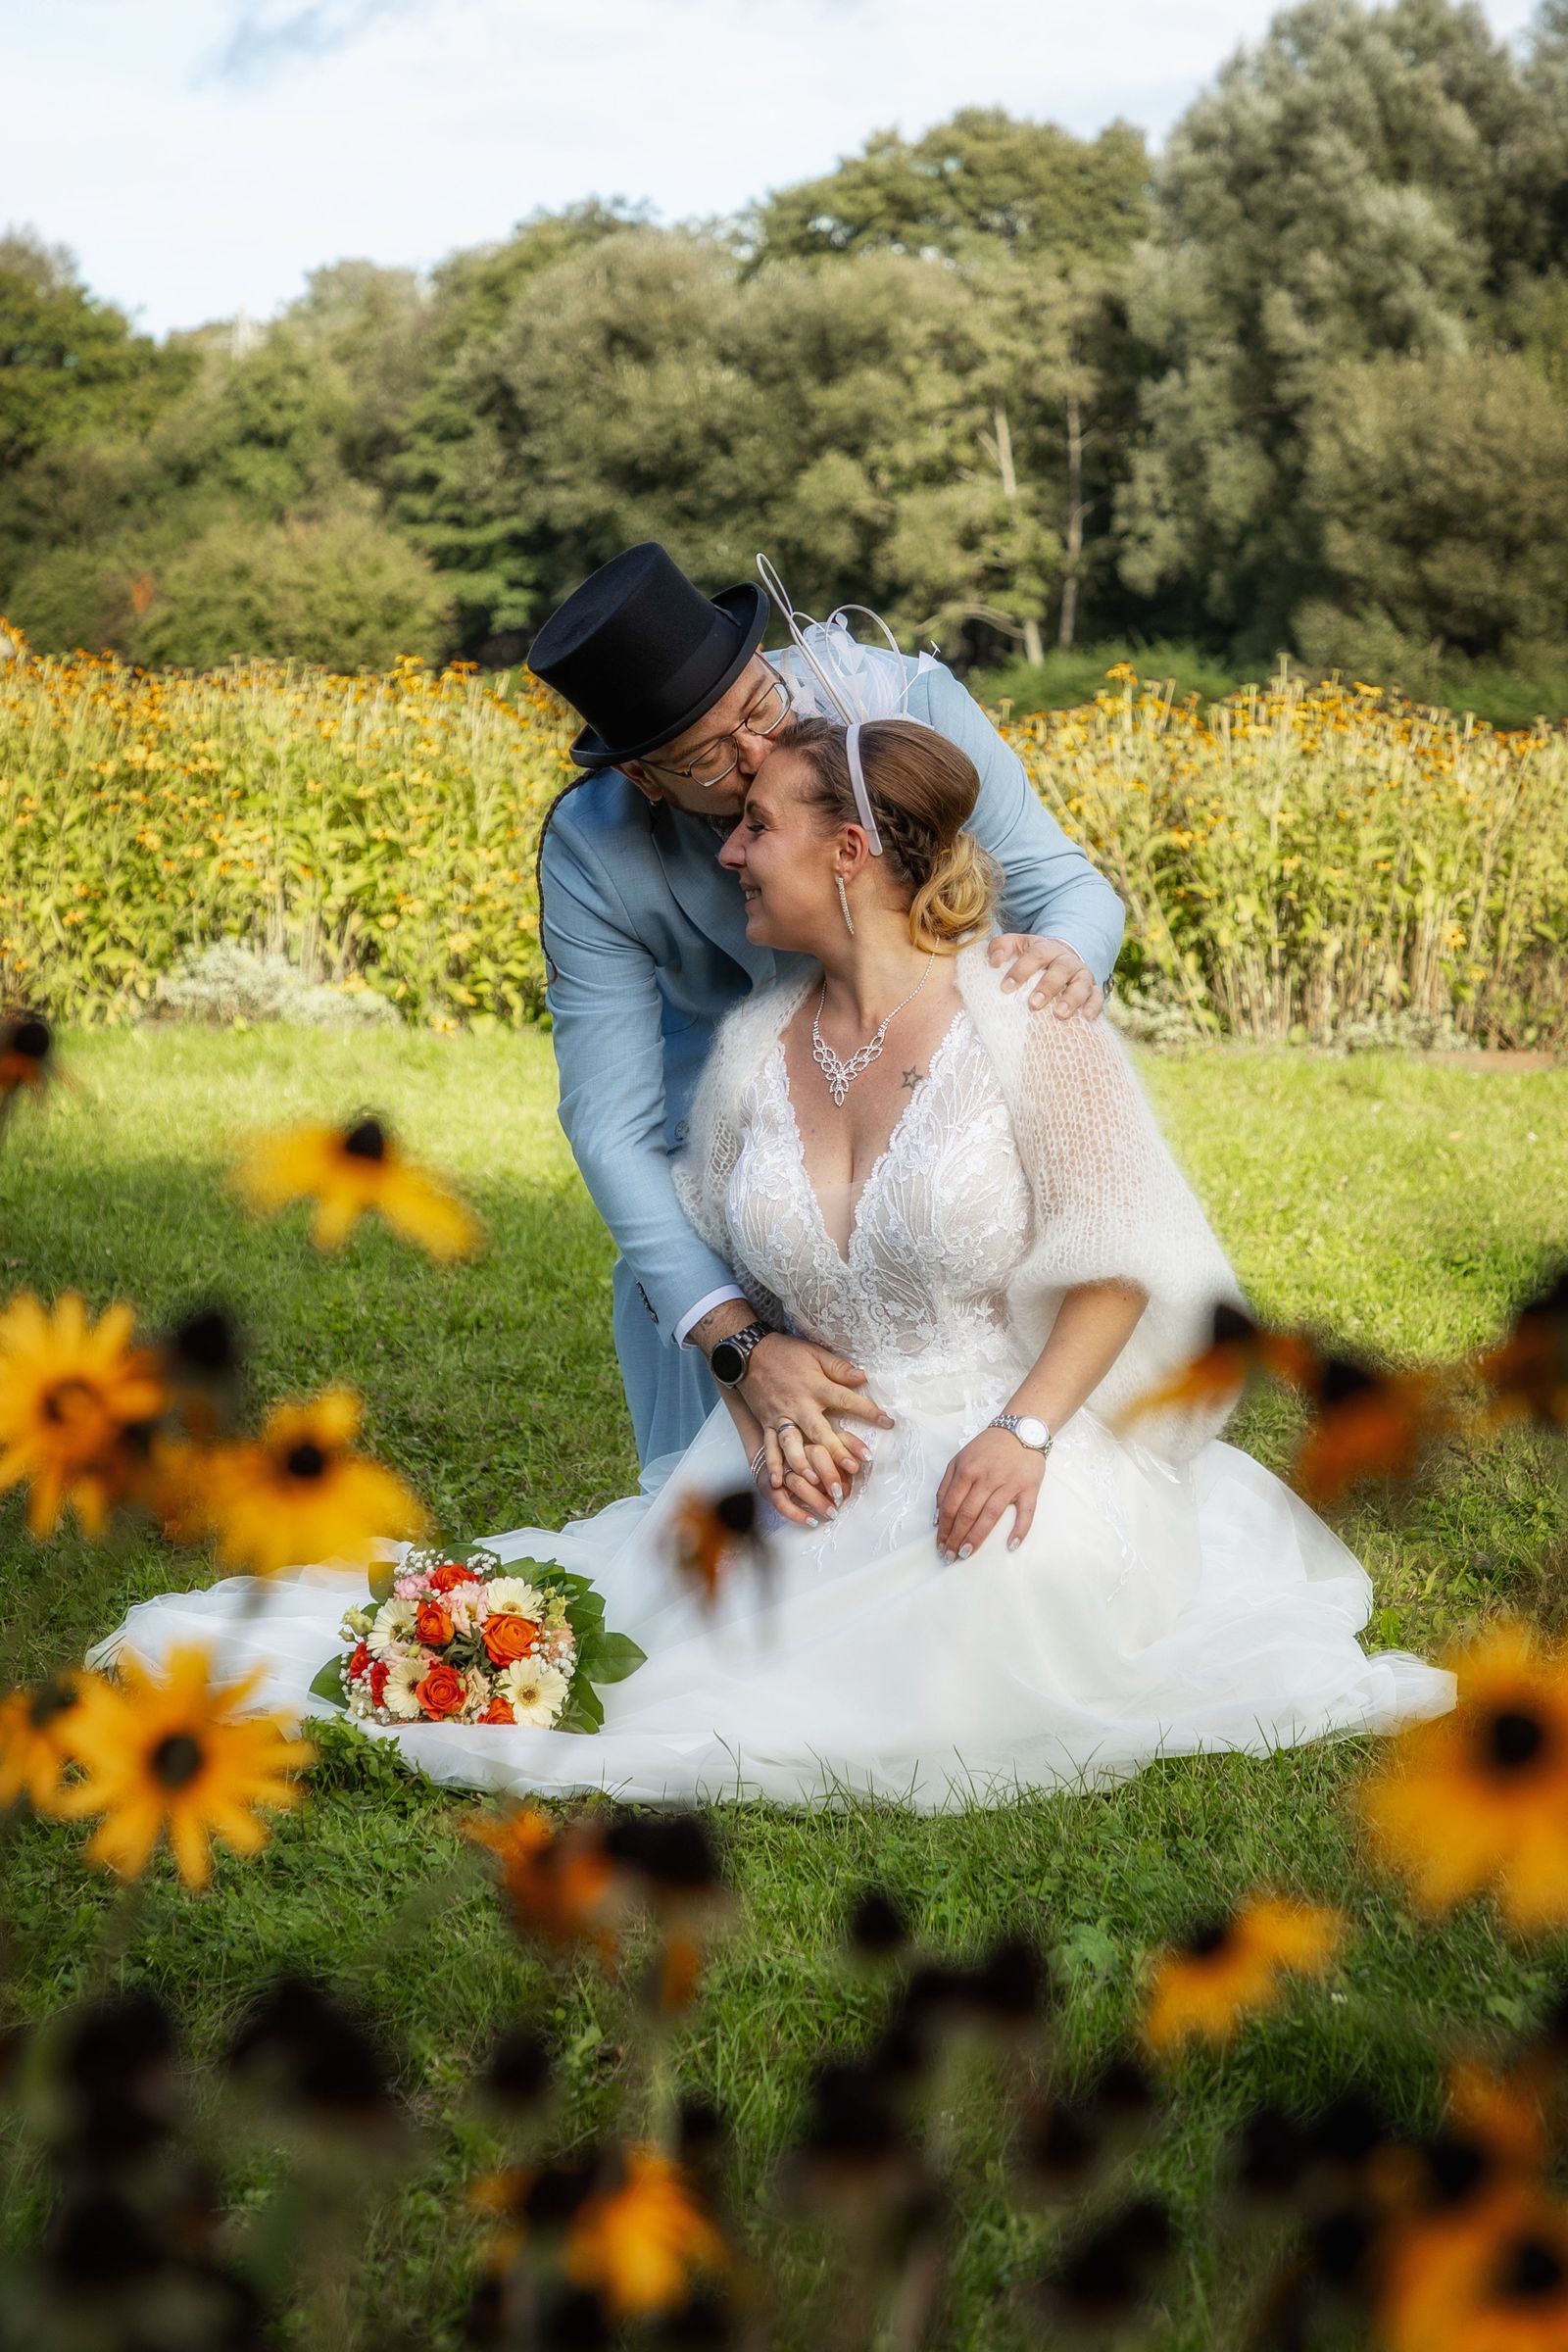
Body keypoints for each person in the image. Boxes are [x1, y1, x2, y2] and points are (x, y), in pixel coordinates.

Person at [89, 715, 1455, 1808]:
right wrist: (763, 1383)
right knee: (678, 1646)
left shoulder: (1032, 1019)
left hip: (1009, 1437)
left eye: (755, 826)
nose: (728, 853)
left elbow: (1120, 1268)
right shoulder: (752, 1050)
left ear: (851, 848)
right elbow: (748, 1266)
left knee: (981, 1617)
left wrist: (1025, 1431)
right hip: (799, 1456)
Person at [524, 542, 1125, 1496]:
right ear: (643, 778)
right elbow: (609, 1124)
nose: (759, 755)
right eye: (709, 758)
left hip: (944, 1162)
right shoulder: (591, 850)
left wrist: (1041, 1012)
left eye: (760, 707)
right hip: (730, 1195)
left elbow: (1069, 892)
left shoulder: (902, 710)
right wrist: (735, 1342)